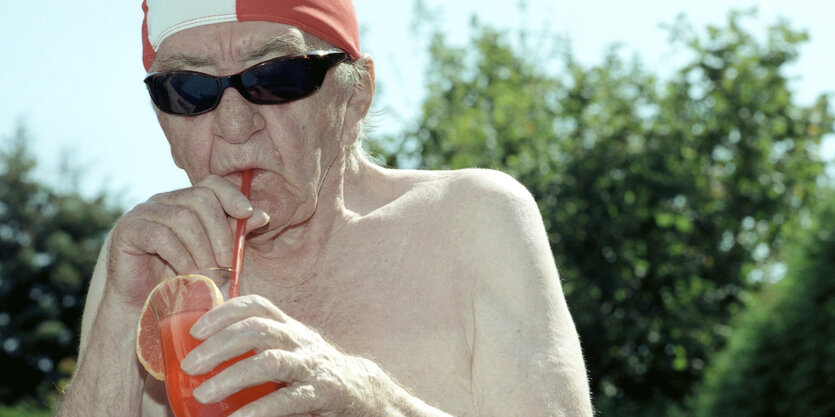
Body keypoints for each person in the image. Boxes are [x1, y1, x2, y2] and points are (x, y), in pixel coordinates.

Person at [56, 0, 593, 415]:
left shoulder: (472, 219)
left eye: (275, 78)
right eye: (188, 89)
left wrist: (373, 402)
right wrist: (122, 318)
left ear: (356, 97)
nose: (235, 124)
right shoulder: (152, 258)